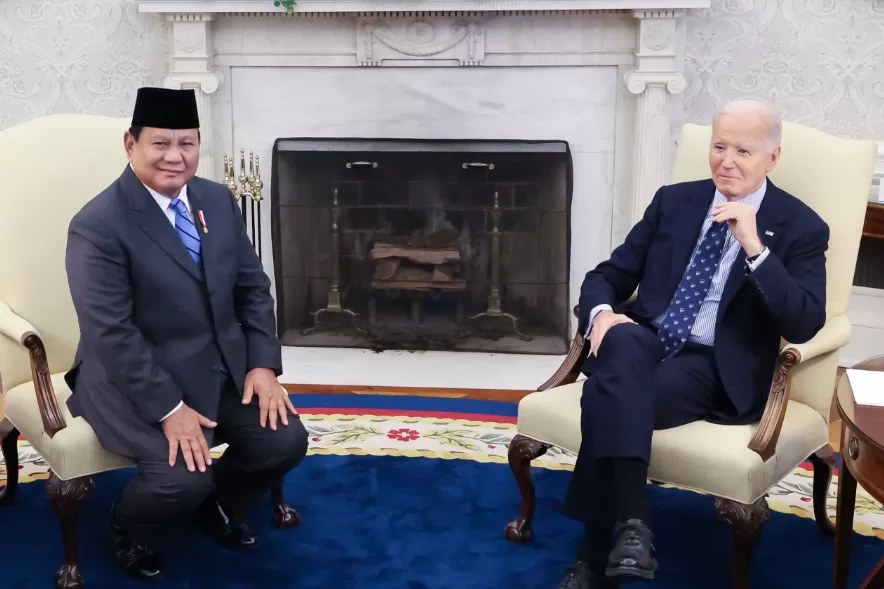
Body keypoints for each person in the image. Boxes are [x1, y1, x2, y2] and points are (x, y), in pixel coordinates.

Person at [554, 99, 828, 589]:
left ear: (773, 158)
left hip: (711, 367)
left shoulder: (801, 226)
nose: (726, 160)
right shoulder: (674, 201)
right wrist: (599, 314)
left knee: (608, 393)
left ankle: (594, 555)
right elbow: (608, 275)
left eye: (742, 150)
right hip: (645, 344)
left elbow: (805, 320)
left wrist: (755, 248)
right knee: (626, 342)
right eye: (718, 146)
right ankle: (634, 527)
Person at [64, 87, 309, 580]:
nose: (175, 157)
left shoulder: (216, 200)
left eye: (187, 143)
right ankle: (130, 527)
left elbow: (252, 288)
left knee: (284, 442)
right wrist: (169, 410)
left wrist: (261, 363)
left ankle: (217, 505)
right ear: (130, 144)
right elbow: (111, 334)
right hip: (131, 377)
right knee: (179, 478)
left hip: (215, 364)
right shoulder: (97, 225)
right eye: (160, 144)